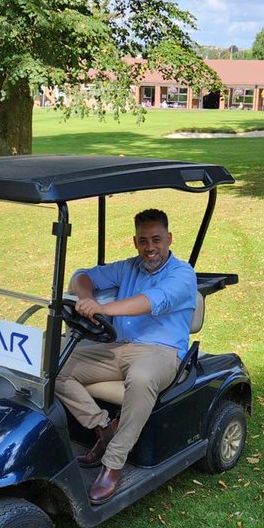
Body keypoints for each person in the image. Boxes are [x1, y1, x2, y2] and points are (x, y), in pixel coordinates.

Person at [55, 208, 197, 503]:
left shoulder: (182, 274)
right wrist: (87, 298)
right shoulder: (128, 267)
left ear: (169, 238)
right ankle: (103, 427)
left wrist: (102, 309)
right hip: (119, 347)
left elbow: (149, 301)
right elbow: (81, 276)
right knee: (55, 368)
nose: (150, 248)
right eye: (143, 241)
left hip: (163, 352)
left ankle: (113, 464)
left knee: (142, 377)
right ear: (135, 242)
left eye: (156, 240)